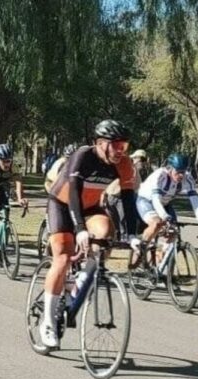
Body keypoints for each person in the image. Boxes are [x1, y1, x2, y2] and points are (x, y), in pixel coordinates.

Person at [39, 120, 141, 348]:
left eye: (124, 146)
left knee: (105, 234)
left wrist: (133, 235)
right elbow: (73, 192)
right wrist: (80, 230)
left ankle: (82, 281)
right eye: (116, 146)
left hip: (92, 207)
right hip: (63, 204)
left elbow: (128, 200)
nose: (120, 151)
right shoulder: (83, 156)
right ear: (100, 143)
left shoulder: (124, 164)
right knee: (63, 257)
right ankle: (47, 320)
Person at [134, 153, 198, 265]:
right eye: (178, 172)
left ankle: (159, 262)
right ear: (170, 168)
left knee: (173, 232)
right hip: (147, 201)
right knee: (156, 224)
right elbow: (156, 200)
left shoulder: (188, 178)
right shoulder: (160, 175)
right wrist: (164, 216)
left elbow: (194, 199)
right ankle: (140, 249)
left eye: (183, 171)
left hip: (165, 203)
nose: (181, 175)